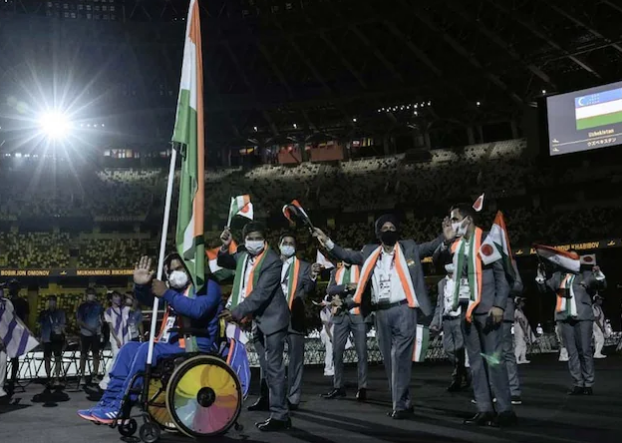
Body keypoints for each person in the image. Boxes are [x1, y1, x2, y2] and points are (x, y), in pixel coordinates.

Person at [313, 214, 452, 419]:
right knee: (389, 360)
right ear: (378, 233)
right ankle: (402, 400)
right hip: (380, 313)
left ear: (397, 230)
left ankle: (400, 406)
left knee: (399, 358)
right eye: (384, 228)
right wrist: (326, 241)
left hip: (404, 309)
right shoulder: (369, 252)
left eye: (391, 227)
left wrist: (446, 237)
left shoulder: (409, 247)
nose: (388, 230)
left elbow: (431, 247)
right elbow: (346, 255)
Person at [77, 253, 222, 424]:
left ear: (190, 267)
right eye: (170, 272)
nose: (175, 274)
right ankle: (107, 402)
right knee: (128, 348)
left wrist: (167, 293)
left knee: (147, 349)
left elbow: (197, 310)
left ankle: (122, 404)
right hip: (172, 343)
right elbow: (149, 299)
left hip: (195, 344)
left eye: (179, 268)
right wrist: (140, 285)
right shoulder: (176, 292)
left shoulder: (208, 286)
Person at [434, 203, 516, 427]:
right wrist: (446, 240)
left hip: (488, 311)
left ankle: (505, 409)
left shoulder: (486, 240)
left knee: (494, 360)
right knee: (476, 364)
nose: (452, 223)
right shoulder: (457, 245)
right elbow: (436, 262)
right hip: (466, 312)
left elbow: (502, 275)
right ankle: (484, 409)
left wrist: (499, 305)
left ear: (468, 220)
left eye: (455, 218)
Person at [218, 222, 291, 432]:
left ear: (265, 239)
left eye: (258, 237)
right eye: (250, 238)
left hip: (273, 319)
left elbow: (260, 295)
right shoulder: (243, 257)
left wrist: (235, 311)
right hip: (257, 320)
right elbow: (224, 261)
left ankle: (280, 415)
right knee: (266, 366)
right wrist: (225, 245)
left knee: (274, 368)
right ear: (244, 240)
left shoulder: (272, 261)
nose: (254, 241)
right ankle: (267, 400)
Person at [536, 259, 606, 395]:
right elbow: (543, 288)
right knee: (571, 352)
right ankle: (578, 383)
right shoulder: (557, 277)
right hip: (564, 318)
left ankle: (588, 383)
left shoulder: (585, 275)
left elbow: (601, 284)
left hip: (583, 317)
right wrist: (540, 275)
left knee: (585, 350)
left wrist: (598, 274)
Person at [277, 233, 319, 410]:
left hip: (295, 318)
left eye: (291, 243)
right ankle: (273, 397)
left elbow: (309, 288)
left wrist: (313, 275)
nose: (288, 245)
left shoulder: (304, 267)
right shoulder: (271, 265)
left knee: (296, 361)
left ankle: (293, 398)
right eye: (285, 242)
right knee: (272, 361)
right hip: (274, 319)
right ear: (279, 245)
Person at [321, 261, 369, 401]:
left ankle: (362, 388)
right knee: (337, 352)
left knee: (362, 353)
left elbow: (364, 288)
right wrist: (347, 287)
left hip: (357, 314)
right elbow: (330, 290)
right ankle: (338, 387)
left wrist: (353, 288)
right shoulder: (336, 272)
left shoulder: (360, 269)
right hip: (340, 316)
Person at [430, 263, 468, 392]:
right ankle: (464, 372)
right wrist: (435, 322)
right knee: (448, 350)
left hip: (459, 319)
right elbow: (439, 304)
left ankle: (457, 379)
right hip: (447, 320)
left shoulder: (464, 281)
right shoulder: (442, 283)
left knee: (459, 350)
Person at [99, 291, 132, 390]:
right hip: (116, 339)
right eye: (115, 297)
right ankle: (105, 381)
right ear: (111, 299)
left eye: (119, 297)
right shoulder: (108, 312)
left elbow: (133, 304)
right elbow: (111, 328)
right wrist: (117, 339)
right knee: (116, 359)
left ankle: (124, 381)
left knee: (126, 359)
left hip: (126, 337)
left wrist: (126, 296)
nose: (118, 299)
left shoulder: (125, 309)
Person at [76, 288, 104, 386]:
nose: (91, 296)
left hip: (96, 334)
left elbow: (102, 319)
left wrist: (100, 326)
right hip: (85, 334)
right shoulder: (82, 307)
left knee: (96, 355)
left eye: (92, 294)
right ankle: (82, 376)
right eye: (89, 294)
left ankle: (95, 376)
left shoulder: (99, 306)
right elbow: (79, 321)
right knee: (83, 355)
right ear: (86, 295)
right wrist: (89, 328)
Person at [38, 295, 66, 387]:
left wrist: (62, 332)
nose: (52, 303)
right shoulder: (43, 313)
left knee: (57, 358)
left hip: (57, 339)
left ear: (56, 302)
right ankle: (49, 378)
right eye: (50, 301)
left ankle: (57, 378)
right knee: (47, 359)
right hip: (46, 338)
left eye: (53, 301)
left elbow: (63, 325)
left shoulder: (60, 313)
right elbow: (40, 326)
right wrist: (41, 337)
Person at [7, 279, 29, 393]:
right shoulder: (5, 302)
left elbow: (25, 319)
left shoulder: (23, 303)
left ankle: (12, 379)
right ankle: (5, 379)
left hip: (16, 333)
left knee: (14, 359)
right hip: (6, 333)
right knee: (3, 359)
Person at [514, 298, 535, 364]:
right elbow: (521, 322)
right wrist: (525, 330)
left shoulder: (521, 311)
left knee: (524, 343)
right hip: (519, 328)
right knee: (519, 343)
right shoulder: (517, 311)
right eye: (522, 302)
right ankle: (516, 358)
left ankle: (523, 358)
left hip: (523, 328)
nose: (524, 303)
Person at [319, 297, 334, 377]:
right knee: (329, 351)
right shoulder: (323, 311)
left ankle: (333, 368)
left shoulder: (333, 310)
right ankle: (327, 369)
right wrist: (331, 336)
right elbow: (326, 326)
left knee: (334, 351)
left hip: (333, 331)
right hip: (327, 333)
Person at [592, 294, 607, 359]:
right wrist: (601, 327)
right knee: (601, 339)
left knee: (598, 339)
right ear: (597, 300)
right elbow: (596, 318)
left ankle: (597, 352)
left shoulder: (598, 307)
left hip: (598, 325)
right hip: (596, 325)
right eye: (600, 299)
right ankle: (597, 353)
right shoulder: (595, 307)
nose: (601, 301)